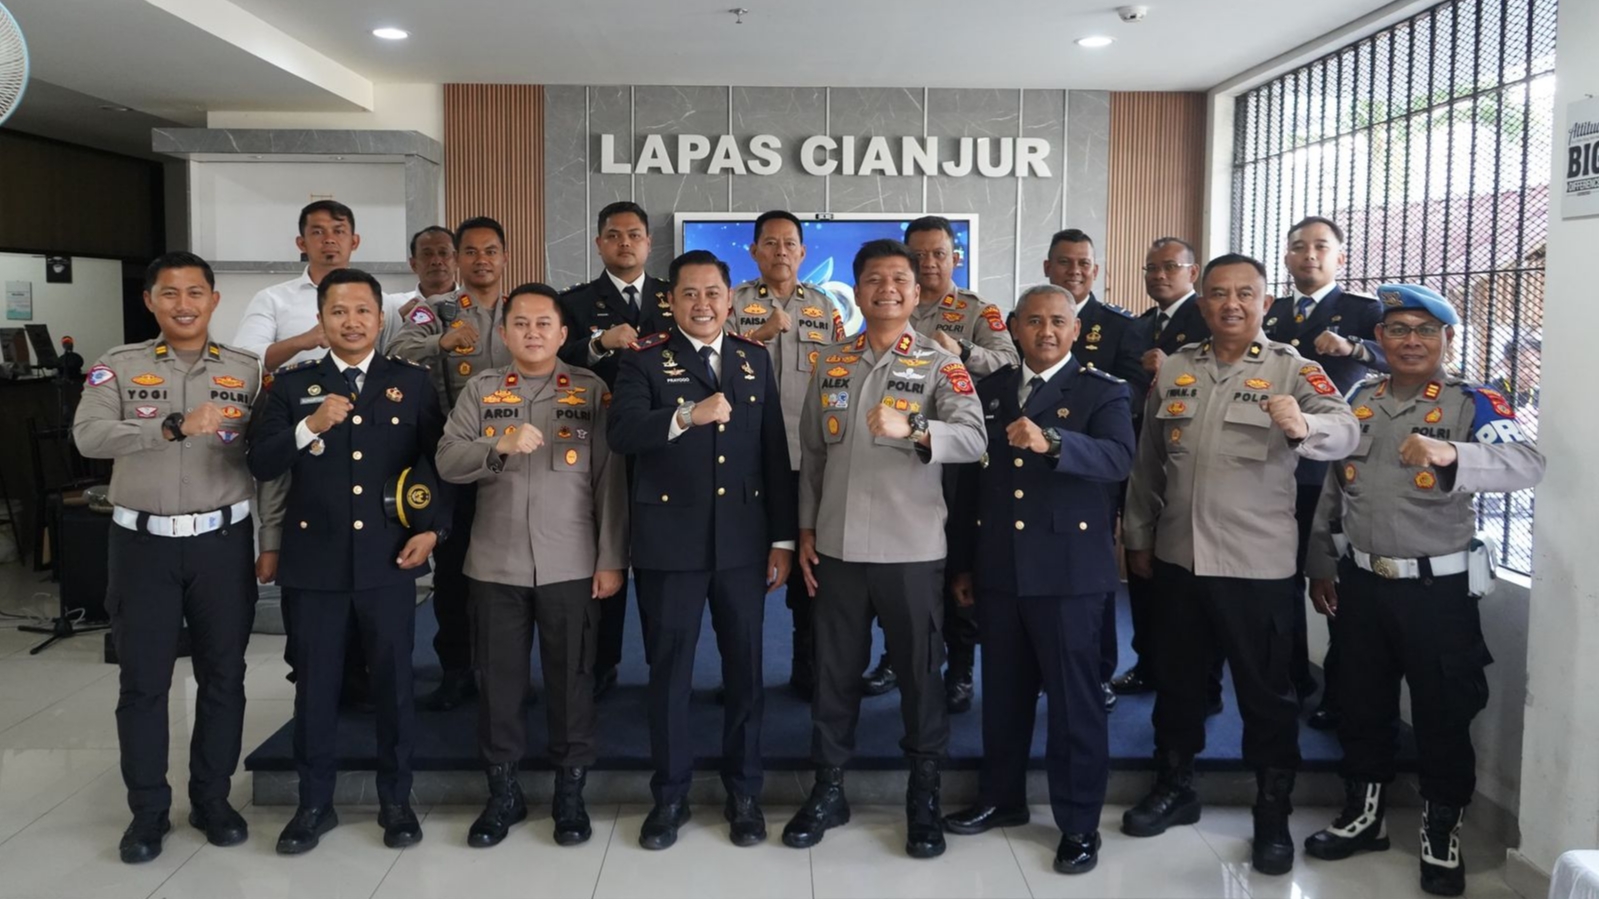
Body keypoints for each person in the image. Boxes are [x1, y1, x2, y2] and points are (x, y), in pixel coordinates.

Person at [1301, 284, 1544, 897]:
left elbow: (1527, 463)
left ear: (1447, 340)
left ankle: (1442, 832)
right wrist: (1320, 562)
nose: (1411, 341)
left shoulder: (1473, 402)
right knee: (1359, 703)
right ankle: (1365, 816)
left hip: (1437, 592)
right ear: (1378, 339)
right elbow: (1335, 490)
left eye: (1425, 331)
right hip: (1360, 584)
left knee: (1443, 712)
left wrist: (1452, 452)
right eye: (1399, 330)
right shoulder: (1360, 397)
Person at [1121, 253, 1359, 876]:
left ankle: (1271, 812)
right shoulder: (1174, 368)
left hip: (1257, 566)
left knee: (1266, 697)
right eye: (1218, 293)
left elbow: (1346, 431)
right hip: (1178, 559)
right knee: (1176, 685)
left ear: (1264, 303)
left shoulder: (1293, 368)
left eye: (1245, 294)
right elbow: (1149, 462)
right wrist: (1139, 536)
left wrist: (1305, 423)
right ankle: (1176, 788)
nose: (1231, 304)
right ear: (1201, 302)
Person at [782, 239, 985, 859]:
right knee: (833, 675)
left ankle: (921, 798)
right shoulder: (832, 362)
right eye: (874, 279)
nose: (888, 289)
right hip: (840, 547)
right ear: (858, 289)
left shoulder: (939, 364)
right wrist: (809, 528)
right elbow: (813, 455)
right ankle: (829, 789)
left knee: (921, 679)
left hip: (911, 549)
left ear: (917, 292)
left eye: (900, 279)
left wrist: (917, 428)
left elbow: (975, 437)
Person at [246, 267, 451, 855]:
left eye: (363, 311)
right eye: (339, 312)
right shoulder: (292, 385)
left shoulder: (408, 381)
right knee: (315, 687)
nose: (352, 322)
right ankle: (314, 804)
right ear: (322, 319)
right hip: (315, 566)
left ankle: (397, 800)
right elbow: (261, 463)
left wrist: (435, 530)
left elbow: (436, 463)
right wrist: (311, 425)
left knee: (393, 685)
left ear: (380, 317)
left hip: (389, 561)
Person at [74, 252, 262, 864]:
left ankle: (212, 800)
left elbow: (269, 453)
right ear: (150, 301)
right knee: (143, 684)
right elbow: (89, 435)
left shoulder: (247, 370)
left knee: (224, 677)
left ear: (213, 300)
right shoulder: (118, 367)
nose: (183, 304)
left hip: (221, 544)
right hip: (143, 546)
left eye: (195, 293)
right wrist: (171, 427)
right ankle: (148, 813)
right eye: (170, 293)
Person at [942, 284, 1135, 876]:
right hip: (1001, 567)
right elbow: (969, 486)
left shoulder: (1103, 390)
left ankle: (1078, 823)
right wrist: (964, 564)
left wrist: (1052, 441)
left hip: (1070, 573)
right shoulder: (991, 389)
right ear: (1016, 330)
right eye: (1033, 322)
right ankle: (1002, 798)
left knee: (1075, 704)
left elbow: (1118, 459)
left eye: (1058, 322)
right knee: (1004, 695)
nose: (1046, 332)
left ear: (1076, 331)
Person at [610, 250, 797, 849]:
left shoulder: (752, 358)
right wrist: (688, 414)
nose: (702, 303)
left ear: (731, 299)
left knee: (746, 672)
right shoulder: (642, 360)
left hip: (743, 545)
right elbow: (624, 434)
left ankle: (745, 794)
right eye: (689, 293)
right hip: (671, 546)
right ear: (672, 301)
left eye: (713, 293)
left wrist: (783, 538)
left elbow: (773, 453)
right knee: (670, 677)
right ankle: (669, 797)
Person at [434, 284, 627, 849]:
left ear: (564, 333)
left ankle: (570, 793)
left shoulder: (591, 390)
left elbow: (609, 484)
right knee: (499, 683)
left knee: (572, 680)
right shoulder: (482, 389)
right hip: (495, 563)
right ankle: (504, 794)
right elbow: (447, 459)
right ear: (504, 331)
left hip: (571, 561)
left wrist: (611, 559)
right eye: (521, 323)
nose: (533, 332)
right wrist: (498, 443)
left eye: (545, 323)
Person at [888, 215, 1017, 709]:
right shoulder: (895, 303)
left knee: (957, 558)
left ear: (954, 257)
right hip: (902, 452)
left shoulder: (977, 310)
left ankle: (959, 668)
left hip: (959, 453)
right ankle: (893, 657)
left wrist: (961, 350)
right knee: (898, 562)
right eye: (918, 255)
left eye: (937, 253)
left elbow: (1008, 361)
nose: (928, 263)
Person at [388, 216, 515, 711]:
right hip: (455, 461)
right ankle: (457, 670)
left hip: (514, 460)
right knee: (455, 573)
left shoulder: (522, 309)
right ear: (458, 259)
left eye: (491, 251)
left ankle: (505, 672)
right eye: (471, 252)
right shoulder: (433, 311)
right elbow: (397, 352)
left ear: (504, 257)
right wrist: (441, 341)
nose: (481, 260)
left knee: (511, 574)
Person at [727, 210, 855, 700]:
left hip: (807, 457)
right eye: (770, 243)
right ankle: (744, 680)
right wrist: (758, 336)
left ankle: (808, 670)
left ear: (803, 253)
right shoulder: (734, 303)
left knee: (810, 571)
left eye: (789, 244)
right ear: (755, 251)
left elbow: (843, 372)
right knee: (744, 570)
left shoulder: (825, 306)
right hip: (747, 458)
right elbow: (714, 363)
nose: (780, 251)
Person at [1265, 216, 1386, 728]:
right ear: (1287, 258)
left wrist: (1353, 348)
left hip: (1335, 470)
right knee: (1283, 577)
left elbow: (1399, 352)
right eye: (1298, 248)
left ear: (1340, 256)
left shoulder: (1362, 310)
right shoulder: (1273, 316)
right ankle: (1292, 679)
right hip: (1275, 466)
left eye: (1320, 247)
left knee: (1335, 580)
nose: (1308, 255)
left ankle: (1341, 696)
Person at [558, 200, 675, 699]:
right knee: (601, 560)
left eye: (634, 235)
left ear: (649, 243)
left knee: (659, 566)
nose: (624, 243)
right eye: (613, 235)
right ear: (599, 243)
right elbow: (557, 358)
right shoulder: (577, 302)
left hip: (665, 448)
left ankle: (662, 667)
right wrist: (600, 342)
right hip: (595, 444)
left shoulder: (677, 296)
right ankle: (600, 666)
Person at [1044, 227, 1147, 712]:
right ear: (1048, 267)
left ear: (1096, 271)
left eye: (1084, 263)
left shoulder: (1120, 325)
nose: (1075, 271)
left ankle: (1099, 671)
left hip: (1091, 471)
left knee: (1092, 577)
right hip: (1034, 469)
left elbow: (1135, 392)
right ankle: (1045, 667)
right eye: (1065, 262)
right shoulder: (1026, 315)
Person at [1110, 236, 1214, 700]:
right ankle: (1148, 662)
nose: (1158, 275)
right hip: (1146, 455)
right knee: (1144, 566)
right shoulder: (1139, 326)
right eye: (1151, 268)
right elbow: (1131, 390)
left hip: (1195, 464)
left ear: (1193, 272)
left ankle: (1204, 683)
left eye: (1170, 267)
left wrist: (1171, 369)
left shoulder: (1209, 317)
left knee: (1194, 588)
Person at [232, 200, 412, 370]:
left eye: (339, 231)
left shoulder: (382, 302)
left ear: (354, 242)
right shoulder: (272, 299)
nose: (329, 239)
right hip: (292, 399)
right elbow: (242, 361)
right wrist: (302, 341)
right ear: (301, 243)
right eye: (318, 232)